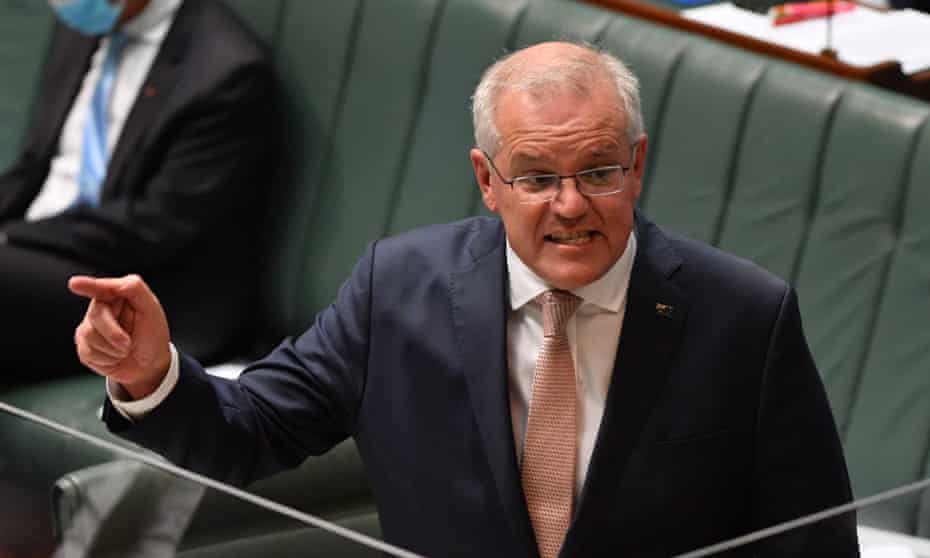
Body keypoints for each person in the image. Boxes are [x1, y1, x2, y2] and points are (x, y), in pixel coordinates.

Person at [70, 42, 858, 557]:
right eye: (538, 178)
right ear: (487, 180)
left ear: (638, 165)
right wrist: (150, 372)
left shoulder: (744, 317)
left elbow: (812, 543)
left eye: (598, 171)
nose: (572, 205)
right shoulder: (398, 289)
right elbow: (250, 433)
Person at [0, 0, 275, 382]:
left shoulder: (225, 70)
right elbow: (36, 163)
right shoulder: (80, 29)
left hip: (127, 284)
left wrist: (11, 237)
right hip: (30, 261)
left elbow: (156, 224)